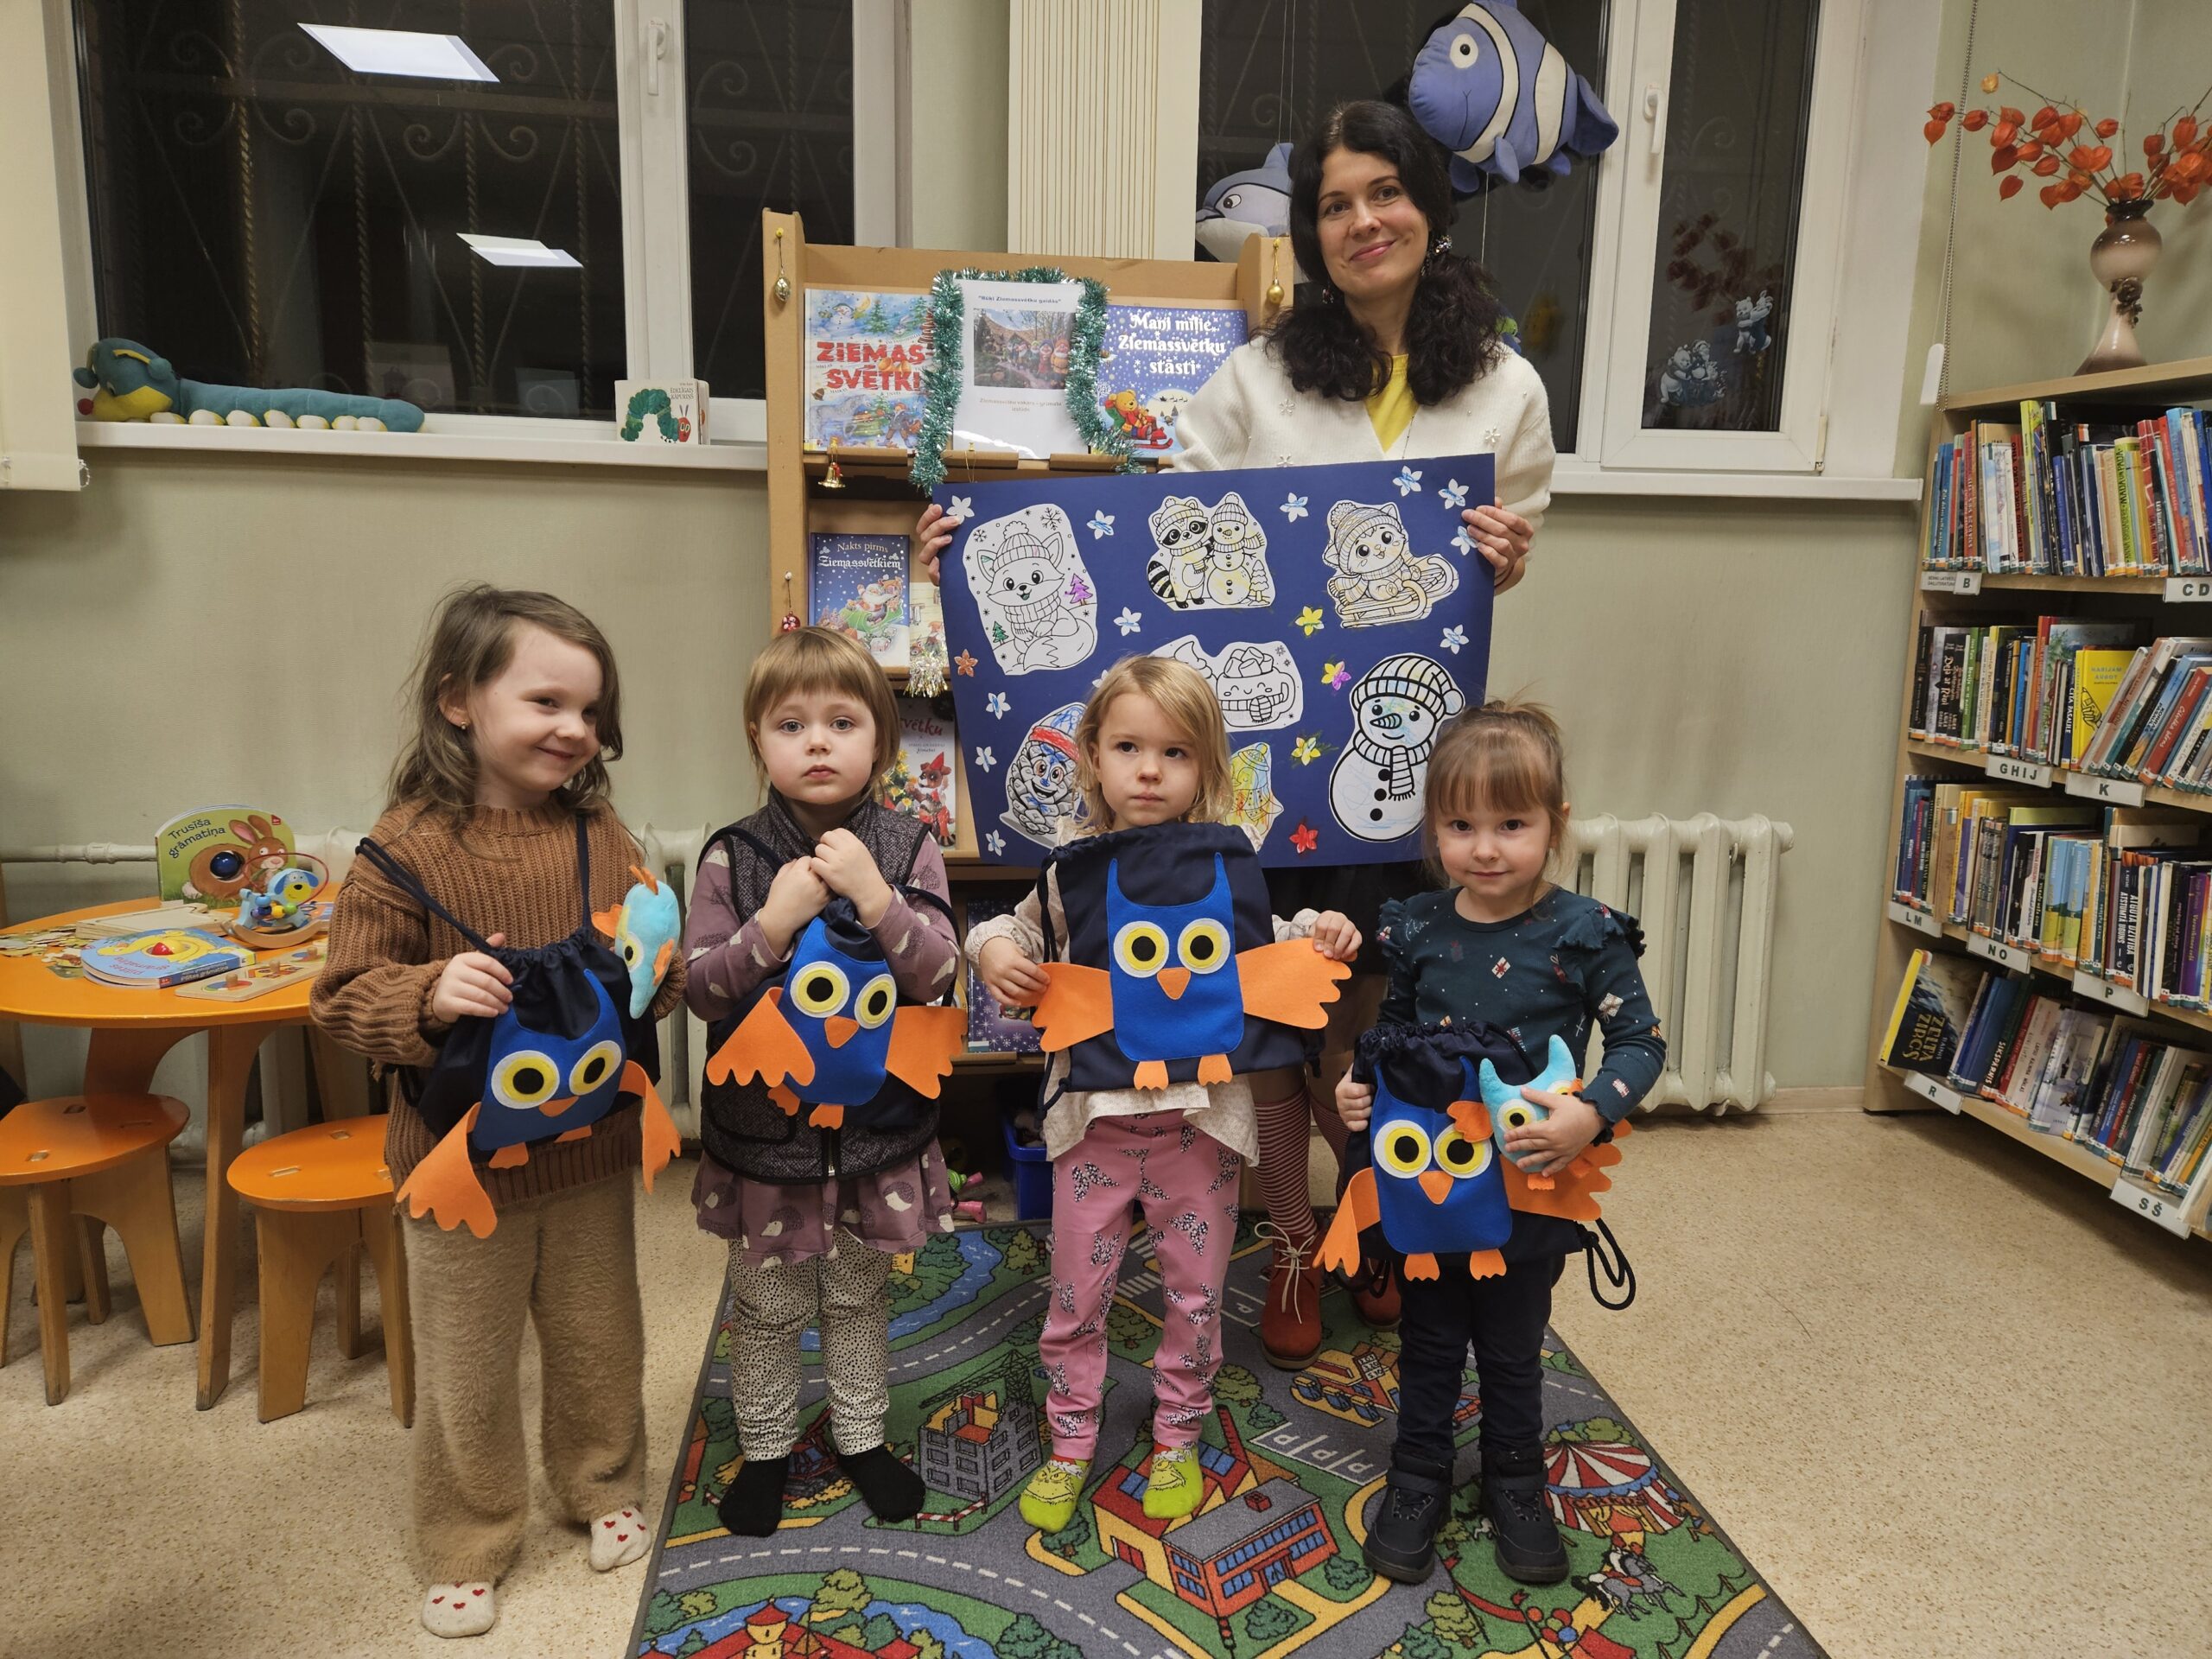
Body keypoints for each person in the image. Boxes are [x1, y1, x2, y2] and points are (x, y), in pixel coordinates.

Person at [915, 97, 1556, 1367]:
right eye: (1334, 203)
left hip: (1407, 765)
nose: (1363, 221)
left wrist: (1507, 556)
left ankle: (1374, 1226)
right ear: (1310, 232)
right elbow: (1158, 547)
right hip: (1269, 780)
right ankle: (1294, 1242)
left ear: (1430, 206)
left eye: (1385, 192)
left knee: (1378, 1022)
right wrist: (967, 557)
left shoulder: (1507, 384)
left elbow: (1500, 556)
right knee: (1263, 1030)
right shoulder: (1259, 375)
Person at [313, 585, 685, 1640]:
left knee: (600, 1337)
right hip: (459, 1170)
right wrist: (427, 995)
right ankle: (466, 1539)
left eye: (590, 710)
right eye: (546, 702)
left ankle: (602, 1483)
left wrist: (655, 969)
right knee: (468, 1365)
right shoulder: (405, 848)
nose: (574, 729)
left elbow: (648, 957)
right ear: (458, 702)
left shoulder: (597, 828)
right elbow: (340, 997)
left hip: (588, 1149)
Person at [967, 657, 1359, 1534]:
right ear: (1091, 757)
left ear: (1205, 768)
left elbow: (1269, 939)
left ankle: (1178, 1430)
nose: (1149, 771)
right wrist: (992, 950)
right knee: (1076, 1294)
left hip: (1201, 1126)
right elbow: (1007, 928)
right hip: (1092, 1129)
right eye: (1128, 748)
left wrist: (1320, 930)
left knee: (1196, 1294)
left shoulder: (1226, 862)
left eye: (1175, 753)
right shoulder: (1068, 872)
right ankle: (1072, 1437)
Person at [1335, 701, 1663, 1586]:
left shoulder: (1584, 932)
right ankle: (1419, 1474)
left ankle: (1516, 1479)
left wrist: (1590, 1114)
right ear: (1433, 828)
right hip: (1431, 1187)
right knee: (1430, 1338)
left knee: (1515, 1343)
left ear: (1555, 824)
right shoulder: (1417, 926)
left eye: (1511, 824)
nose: (1484, 848)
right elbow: (1393, 1037)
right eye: (1460, 826)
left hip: (1530, 1180)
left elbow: (1641, 1042)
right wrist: (1359, 1084)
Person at [681, 626, 958, 1536]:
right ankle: (765, 1450)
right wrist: (772, 923)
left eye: (842, 723)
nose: (817, 743)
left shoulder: (909, 846)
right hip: (768, 1144)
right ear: (756, 740)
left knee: (857, 1295)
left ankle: (860, 1437)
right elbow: (701, 992)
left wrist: (877, 898)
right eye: (790, 724)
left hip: (877, 1135)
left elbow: (938, 977)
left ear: (880, 739)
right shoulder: (730, 855)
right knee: (766, 1308)